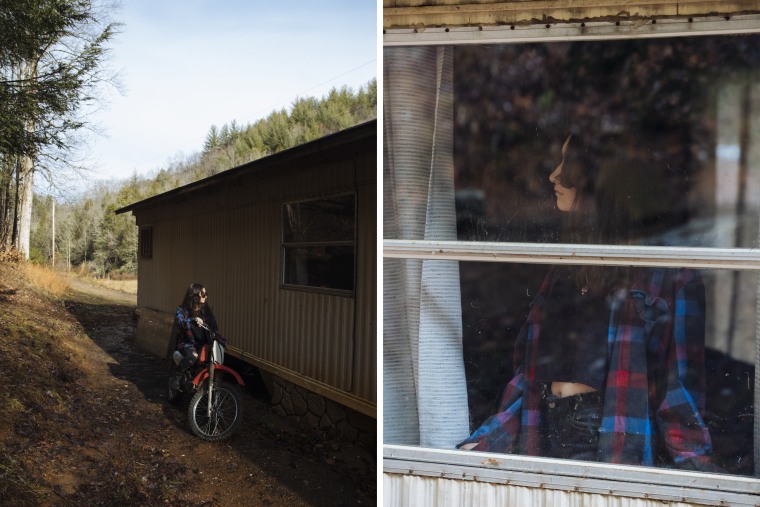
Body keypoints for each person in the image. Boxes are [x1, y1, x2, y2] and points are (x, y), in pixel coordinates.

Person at [457, 133, 718, 472]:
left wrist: (702, 476)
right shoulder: (566, 266)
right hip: (543, 433)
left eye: (567, 164)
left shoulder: (667, 273)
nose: (554, 174)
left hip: (609, 444)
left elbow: (679, 388)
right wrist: (485, 442)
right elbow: (528, 375)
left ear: (597, 180)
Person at [175, 283, 218, 369]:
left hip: (204, 343)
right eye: (203, 294)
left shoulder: (206, 311)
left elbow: (214, 326)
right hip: (188, 343)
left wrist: (218, 337)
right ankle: (176, 376)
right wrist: (193, 320)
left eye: (206, 294)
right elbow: (181, 322)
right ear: (195, 296)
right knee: (193, 356)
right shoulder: (182, 310)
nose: (205, 296)